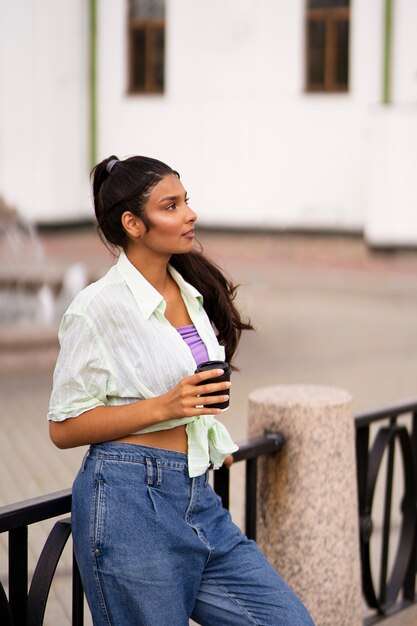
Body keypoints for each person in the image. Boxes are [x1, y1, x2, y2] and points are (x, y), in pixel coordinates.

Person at [48, 155, 314, 626]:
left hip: (196, 496)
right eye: (171, 205)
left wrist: (206, 438)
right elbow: (63, 427)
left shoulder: (189, 289)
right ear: (133, 223)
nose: (189, 213)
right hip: (130, 502)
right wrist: (164, 407)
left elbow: (191, 393)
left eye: (185, 200)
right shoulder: (97, 308)